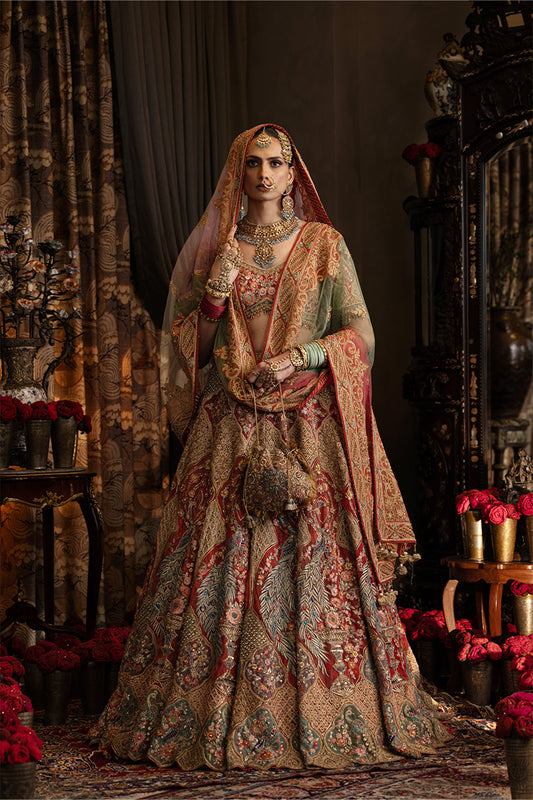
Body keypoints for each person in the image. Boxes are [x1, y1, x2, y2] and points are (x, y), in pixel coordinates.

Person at [93, 124, 449, 770]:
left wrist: (299, 356)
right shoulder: (214, 251)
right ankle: (204, 710)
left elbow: (360, 337)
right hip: (229, 424)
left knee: (316, 565)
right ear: (239, 172)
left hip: (310, 424)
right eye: (252, 163)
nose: (262, 174)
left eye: (275, 163)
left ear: (293, 174)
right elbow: (190, 353)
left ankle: (333, 711)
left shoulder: (322, 247)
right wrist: (213, 296)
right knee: (212, 564)